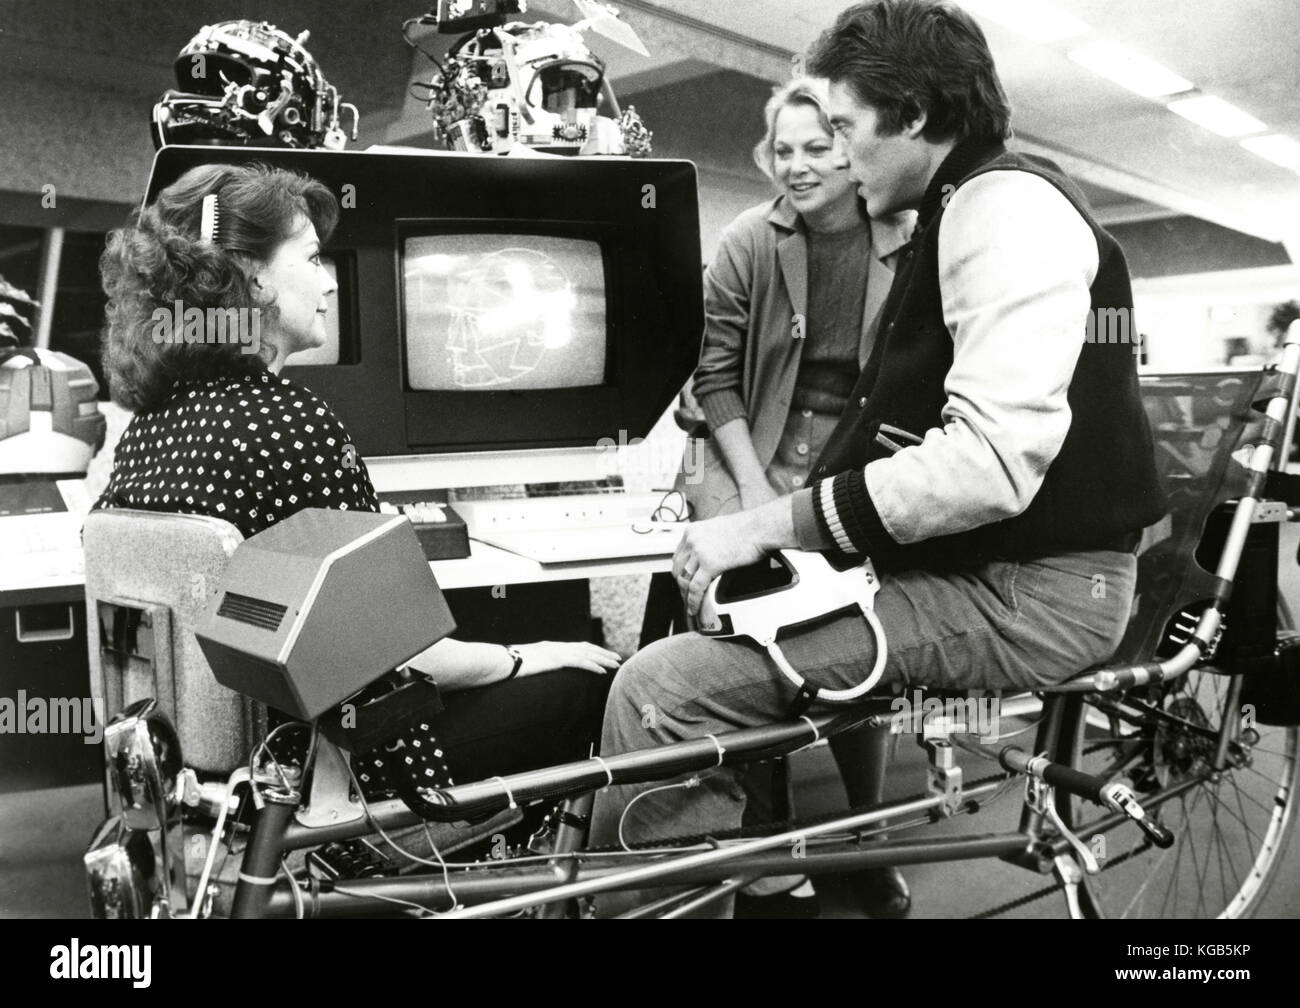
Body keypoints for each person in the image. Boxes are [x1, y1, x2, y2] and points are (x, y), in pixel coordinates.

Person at [589, 0, 1166, 917]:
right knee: (736, 624)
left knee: (667, 688)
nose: (837, 153)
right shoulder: (959, 206)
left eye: (848, 129)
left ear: (917, 118)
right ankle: (746, 868)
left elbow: (987, 464)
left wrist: (768, 522)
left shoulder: (1004, 207)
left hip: (1035, 591)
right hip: (992, 567)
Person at [95, 162, 620, 798]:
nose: (329, 285)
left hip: (215, 785)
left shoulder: (147, 431)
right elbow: (399, 652)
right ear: (250, 274)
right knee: (590, 686)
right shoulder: (287, 420)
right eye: (314, 259)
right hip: (344, 773)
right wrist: (524, 654)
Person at [683, 76, 914, 918]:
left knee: (861, 640)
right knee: (742, 639)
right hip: (752, 448)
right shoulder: (752, 237)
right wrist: (753, 506)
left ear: (853, 152)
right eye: (783, 150)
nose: (799, 165)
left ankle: (864, 836)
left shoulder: (909, 241)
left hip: (852, 460)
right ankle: (770, 843)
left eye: (818, 147)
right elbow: (714, 381)